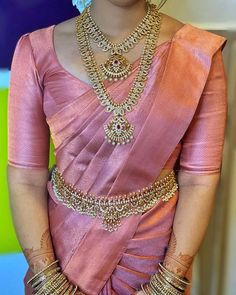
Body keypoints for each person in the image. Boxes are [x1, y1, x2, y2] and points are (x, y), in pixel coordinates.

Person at [7, 0, 227, 294]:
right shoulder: (36, 50)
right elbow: (25, 177)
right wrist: (50, 282)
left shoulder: (197, 52)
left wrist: (166, 284)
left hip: (155, 259)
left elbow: (199, 178)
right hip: (61, 256)